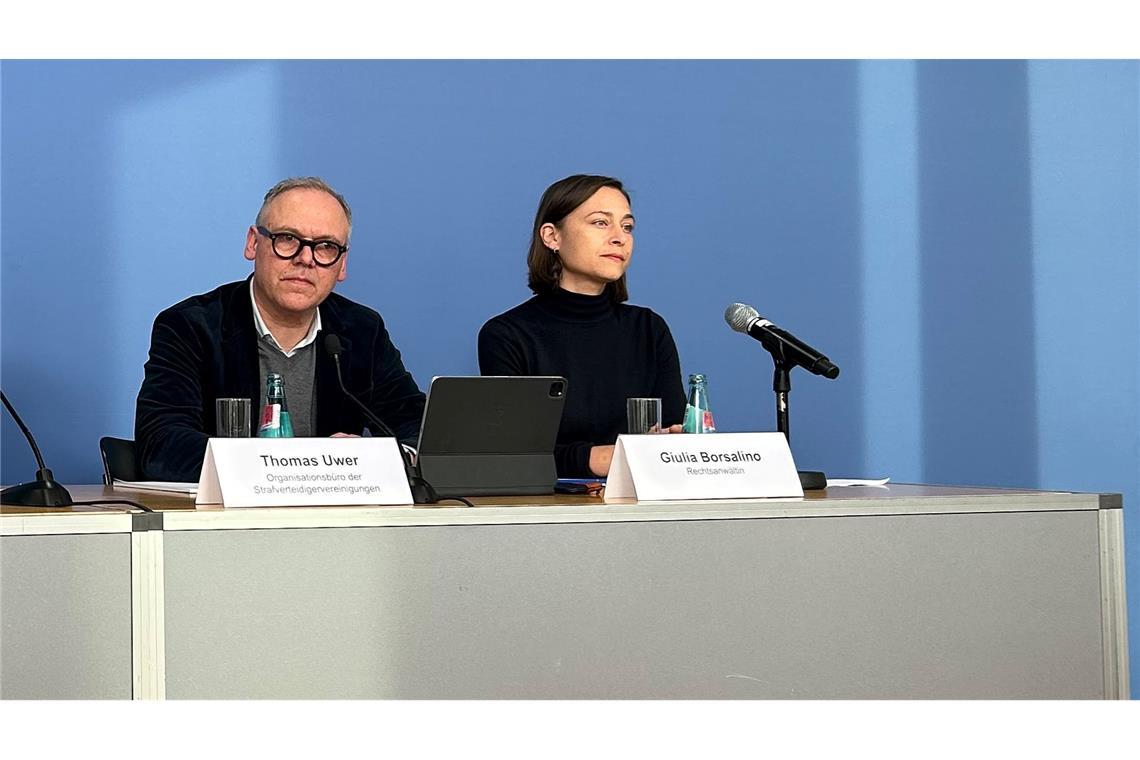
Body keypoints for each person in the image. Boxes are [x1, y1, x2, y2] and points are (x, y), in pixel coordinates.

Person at [135, 176, 425, 482]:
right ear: (253, 243)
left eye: (326, 246)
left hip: (337, 523)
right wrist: (305, 464)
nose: (305, 259)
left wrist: (380, 458)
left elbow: (417, 428)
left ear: (341, 265)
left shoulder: (362, 330)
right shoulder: (191, 327)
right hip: (227, 524)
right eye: (287, 238)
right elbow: (161, 444)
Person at [478, 174, 685, 478]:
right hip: (551, 509)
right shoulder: (507, 335)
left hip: (643, 501)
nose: (619, 237)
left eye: (627, 226)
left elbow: (674, 435)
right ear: (552, 237)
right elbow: (515, 453)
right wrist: (599, 458)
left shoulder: (649, 329)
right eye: (601, 223)